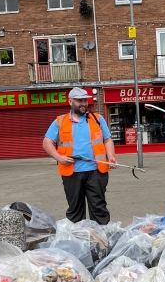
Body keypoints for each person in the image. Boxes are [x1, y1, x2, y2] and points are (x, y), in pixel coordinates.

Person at [42, 87, 117, 224]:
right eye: (79, 101)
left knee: (99, 208)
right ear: (70, 102)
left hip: (96, 171)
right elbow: (47, 142)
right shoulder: (60, 121)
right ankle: (77, 240)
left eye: (85, 100)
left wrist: (111, 157)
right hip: (72, 173)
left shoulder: (97, 119)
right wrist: (59, 158)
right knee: (75, 210)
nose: (83, 103)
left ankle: (102, 239)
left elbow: (107, 139)